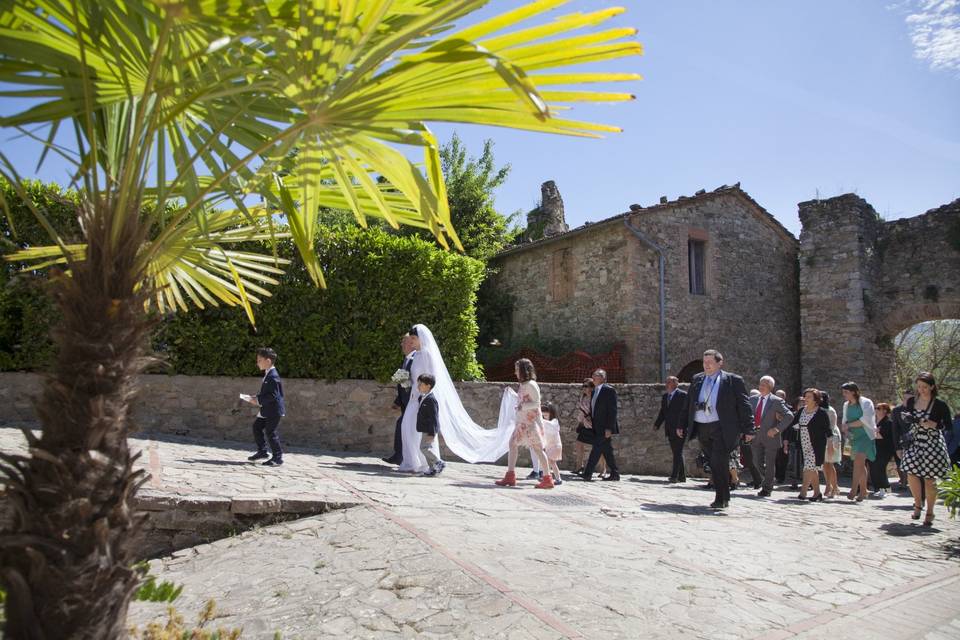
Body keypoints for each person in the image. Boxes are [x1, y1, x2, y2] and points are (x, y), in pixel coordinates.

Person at [398, 324, 514, 473]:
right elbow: (408, 376)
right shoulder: (415, 355)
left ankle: (427, 463)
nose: (411, 341)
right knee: (407, 427)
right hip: (414, 397)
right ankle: (411, 461)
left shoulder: (427, 355)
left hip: (422, 397)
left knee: (421, 430)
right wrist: (405, 383)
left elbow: (432, 377)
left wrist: (423, 393)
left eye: (414, 338)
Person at [684, 350, 754, 509]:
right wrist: (683, 424)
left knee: (719, 461)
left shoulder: (732, 380)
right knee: (713, 463)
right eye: (704, 362)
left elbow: (744, 405)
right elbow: (688, 404)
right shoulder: (697, 380)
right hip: (702, 426)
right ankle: (724, 495)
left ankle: (721, 497)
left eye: (710, 362)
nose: (706, 365)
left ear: (719, 363)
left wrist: (749, 429)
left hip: (722, 427)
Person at [899, 372, 953, 527]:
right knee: (911, 472)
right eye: (919, 386)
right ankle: (917, 504)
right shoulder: (912, 402)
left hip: (932, 442)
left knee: (930, 478)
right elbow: (908, 417)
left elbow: (948, 426)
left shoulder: (940, 405)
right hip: (915, 441)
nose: (921, 390)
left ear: (932, 386)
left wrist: (933, 424)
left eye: (925, 387)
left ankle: (930, 511)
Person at [494, 359, 554, 488]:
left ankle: (547, 478)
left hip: (531, 423)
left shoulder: (531, 384)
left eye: (517, 369)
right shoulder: (524, 384)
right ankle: (511, 476)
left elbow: (537, 403)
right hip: (523, 423)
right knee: (513, 444)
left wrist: (522, 406)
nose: (515, 372)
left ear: (523, 370)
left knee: (537, 449)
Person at [749, 375, 794, 497]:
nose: (761, 386)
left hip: (771, 437)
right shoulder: (752, 399)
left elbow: (789, 416)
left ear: (770, 387)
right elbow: (748, 417)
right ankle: (769, 479)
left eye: (764, 385)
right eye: (760, 384)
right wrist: (747, 432)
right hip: (755, 436)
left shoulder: (776, 401)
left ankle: (767, 488)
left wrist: (777, 429)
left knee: (769, 463)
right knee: (756, 462)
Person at [245, 347, 286, 467]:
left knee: (270, 432)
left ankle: (277, 458)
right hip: (267, 409)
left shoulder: (273, 376)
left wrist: (257, 400)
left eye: (259, 360)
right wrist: (256, 397)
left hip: (273, 410)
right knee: (257, 427)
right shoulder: (269, 374)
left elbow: (273, 396)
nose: (257, 363)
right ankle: (262, 451)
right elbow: (267, 393)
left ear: (268, 361)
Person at [789, 388, 831, 501]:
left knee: (808, 467)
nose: (805, 399)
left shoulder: (821, 412)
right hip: (804, 443)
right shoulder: (802, 410)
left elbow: (828, 431)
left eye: (809, 397)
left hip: (816, 445)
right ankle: (817, 493)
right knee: (812, 468)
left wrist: (831, 446)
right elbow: (794, 424)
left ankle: (803, 492)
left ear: (816, 399)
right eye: (805, 396)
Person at [579, 369, 620, 482]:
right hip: (596, 426)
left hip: (604, 427)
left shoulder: (609, 390)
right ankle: (615, 474)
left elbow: (612, 411)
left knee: (596, 449)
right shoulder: (595, 391)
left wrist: (609, 428)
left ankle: (587, 473)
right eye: (593, 374)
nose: (593, 376)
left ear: (602, 377)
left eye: (595, 375)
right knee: (607, 451)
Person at [840, 382, 876, 502]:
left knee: (858, 462)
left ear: (854, 392)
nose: (844, 394)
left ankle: (854, 489)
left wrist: (849, 425)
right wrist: (845, 430)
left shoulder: (866, 403)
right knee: (860, 464)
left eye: (846, 392)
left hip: (865, 435)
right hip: (853, 437)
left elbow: (865, 420)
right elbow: (845, 420)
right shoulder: (846, 405)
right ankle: (864, 491)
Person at [383, 334, 415, 465]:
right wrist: (398, 401)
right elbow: (404, 383)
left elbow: (411, 382)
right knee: (401, 425)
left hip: (412, 402)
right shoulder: (407, 359)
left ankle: (400, 456)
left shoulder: (413, 359)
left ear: (411, 344)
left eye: (404, 341)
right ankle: (400, 455)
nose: (402, 344)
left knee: (401, 425)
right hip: (405, 402)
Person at [654, 376, 689, 483]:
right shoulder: (665, 397)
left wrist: (682, 427)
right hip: (669, 429)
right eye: (666, 382)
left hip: (680, 429)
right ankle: (682, 476)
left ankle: (674, 476)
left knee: (677, 451)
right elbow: (663, 412)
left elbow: (686, 412)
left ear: (675, 383)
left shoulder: (683, 395)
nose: (666, 384)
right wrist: (657, 424)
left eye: (669, 382)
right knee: (676, 452)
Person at [415, 374, 445, 477]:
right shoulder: (423, 397)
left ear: (428, 386)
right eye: (418, 384)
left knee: (423, 448)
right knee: (425, 447)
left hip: (429, 429)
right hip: (425, 428)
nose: (418, 386)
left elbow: (434, 417)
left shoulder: (431, 400)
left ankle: (438, 462)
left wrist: (432, 433)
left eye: (421, 384)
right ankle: (432, 469)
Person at [574, 378, 600, 475]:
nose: (585, 388)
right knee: (579, 444)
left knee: (598, 448)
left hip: (594, 426)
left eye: (587, 386)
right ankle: (579, 466)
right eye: (583, 386)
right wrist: (580, 421)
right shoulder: (583, 398)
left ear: (592, 387)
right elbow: (581, 411)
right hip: (584, 424)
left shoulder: (596, 398)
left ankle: (603, 469)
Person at [891, 388, 915, 491]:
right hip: (903, 440)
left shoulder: (917, 410)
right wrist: (897, 447)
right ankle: (904, 482)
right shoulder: (897, 411)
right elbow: (895, 429)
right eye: (905, 398)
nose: (907, 401)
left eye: (910, 399)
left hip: (917, 440)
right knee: (903, 462)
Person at [870, 403, 895, 498]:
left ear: (884, 410)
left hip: (885, 449)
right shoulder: (874, 421)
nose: (876, 410)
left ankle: (884, 488)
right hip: (875, 448)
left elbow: (883, 437)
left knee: (879, 468)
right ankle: (879, 488)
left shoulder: (888, 422)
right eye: (875, 408)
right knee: (873, 467)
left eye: (878, 408)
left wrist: (875, 431)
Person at [821, 391, 842, 499]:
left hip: (831, 438)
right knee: (825, 463)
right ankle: (834, 486)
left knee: (829, 463)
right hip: (822, 439)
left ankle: (830, 486)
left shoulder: (830, 411)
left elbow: (832, 427)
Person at [542, 402, 563, 485]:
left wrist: (541, 420)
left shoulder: (554, 421)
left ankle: (556, 478)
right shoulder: (547, 422)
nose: (544, 416)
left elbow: (550, 426)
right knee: (550, 463)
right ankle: (550, 477)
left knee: (551, 463)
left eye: (546, 414)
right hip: (550, 446)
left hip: (555, 446)